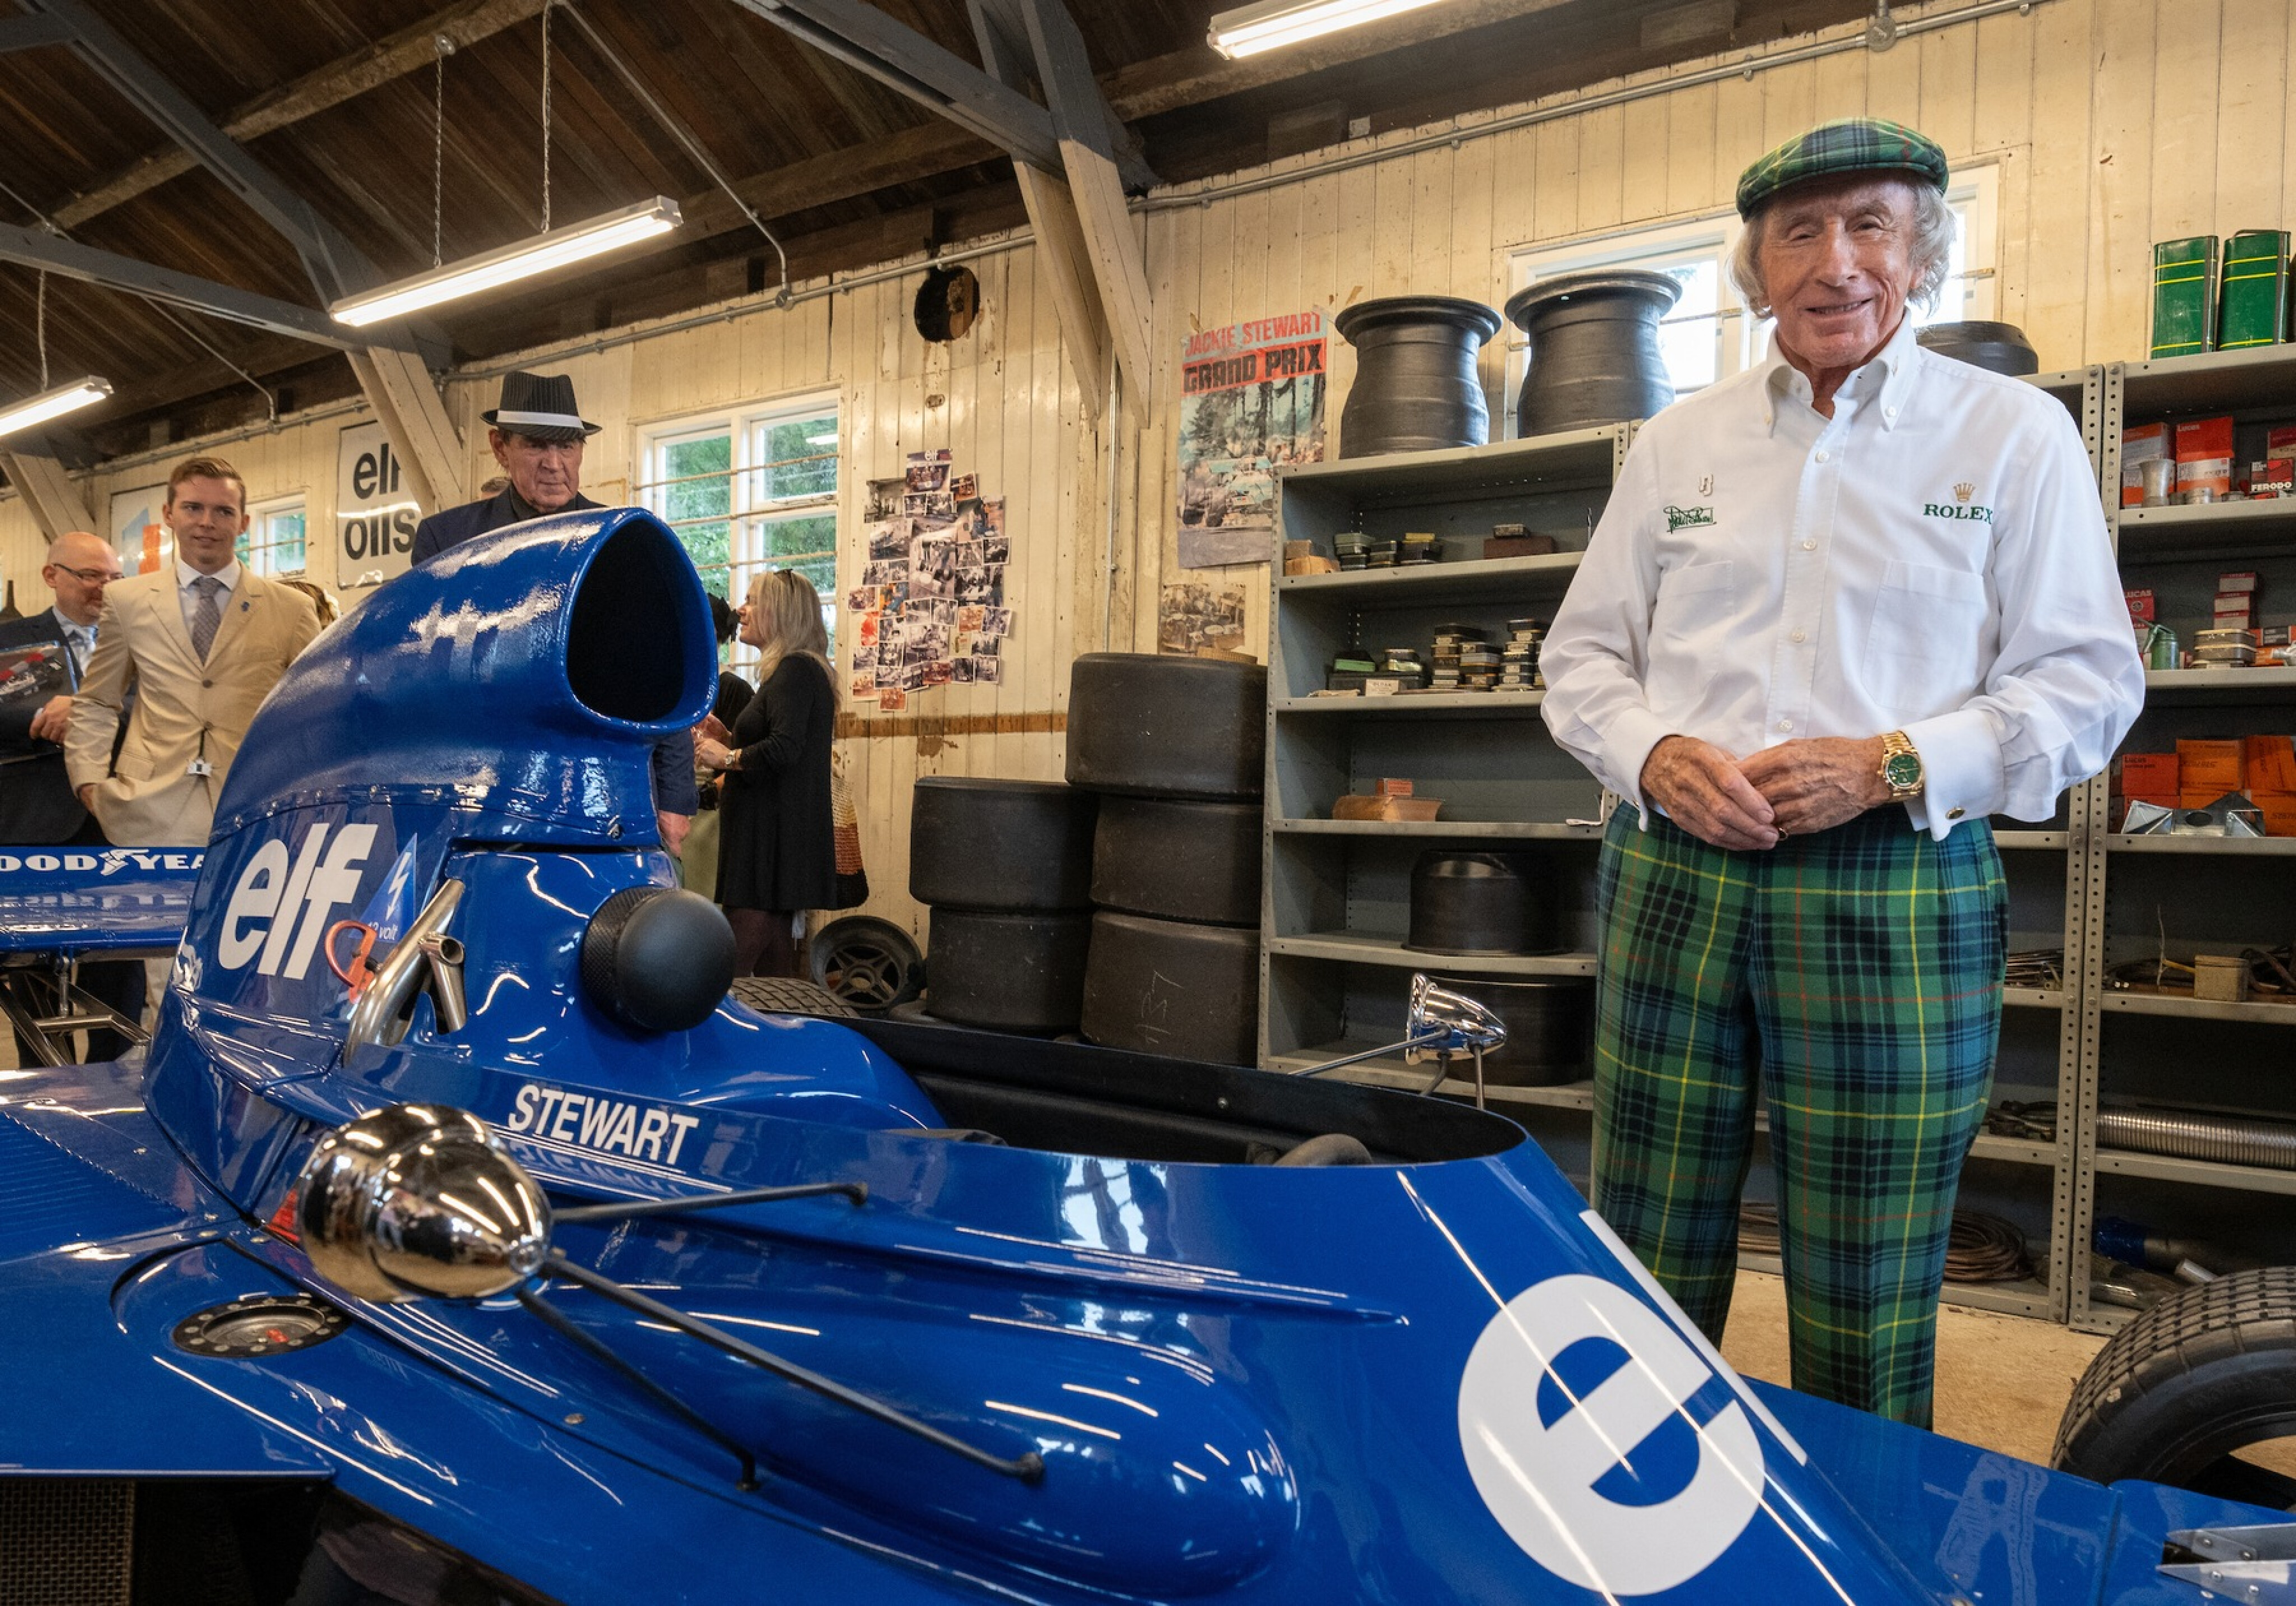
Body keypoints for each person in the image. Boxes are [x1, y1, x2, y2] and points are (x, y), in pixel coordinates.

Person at [1538, 118, 2143, 1428]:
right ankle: (1631, 1512)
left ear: (1922, 252)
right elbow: (1579, 660)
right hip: (1676, 872)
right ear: (1754, 266)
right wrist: (1653, 752)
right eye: (1798, 231)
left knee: (1867, 1271)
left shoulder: (2014, 436)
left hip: (1892, 882)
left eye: (1870, 223)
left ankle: (1862, 1541)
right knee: (1641, 1235)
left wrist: (1897, 760)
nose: (1835, 261)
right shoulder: (1675, 446)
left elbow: (2090, 684)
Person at [409, 370, 697, 855]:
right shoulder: (447, 543)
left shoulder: (626, 539)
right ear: (500, 447)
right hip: (485, 796)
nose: (554, 463)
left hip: (611, 792)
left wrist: (674, 796)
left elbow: (663, 672)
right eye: (537, 446)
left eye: (567, 447)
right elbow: (431, 681)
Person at [65, 457, 322, 846]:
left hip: (255, 809)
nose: (207, 522)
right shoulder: (125, 600)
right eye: (193, 508)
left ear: (243, 523)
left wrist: (305, 795)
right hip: (145, 811)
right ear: (169, 514)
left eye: (223, 511)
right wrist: (89, 782)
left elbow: (315, 709)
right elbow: (98, 700)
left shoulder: (291, 608)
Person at [0, 531, 142, 1061]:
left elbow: (161, 710)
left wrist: (80, 706)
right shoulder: (9, 640)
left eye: (114, 577)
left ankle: (114, 1078)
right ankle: (43, 1087)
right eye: (90, 575)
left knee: (119, 964)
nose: (104, 587)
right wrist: (39, 717)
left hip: (117, 817)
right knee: (32, 968)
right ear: (51, 575)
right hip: (33, 822)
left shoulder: (142, 637)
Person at [696, 570, 836, 978]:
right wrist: (729, 734)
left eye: (753, 600)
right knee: (779, 978)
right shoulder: (792, 672)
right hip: (768, 846)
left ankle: (709, 1040)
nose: (741, 609)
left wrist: (728, 757)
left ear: (782, 612)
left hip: (768, 850)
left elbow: (785, 749)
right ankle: (787, 1038)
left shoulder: (796, 669)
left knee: (725, 973)